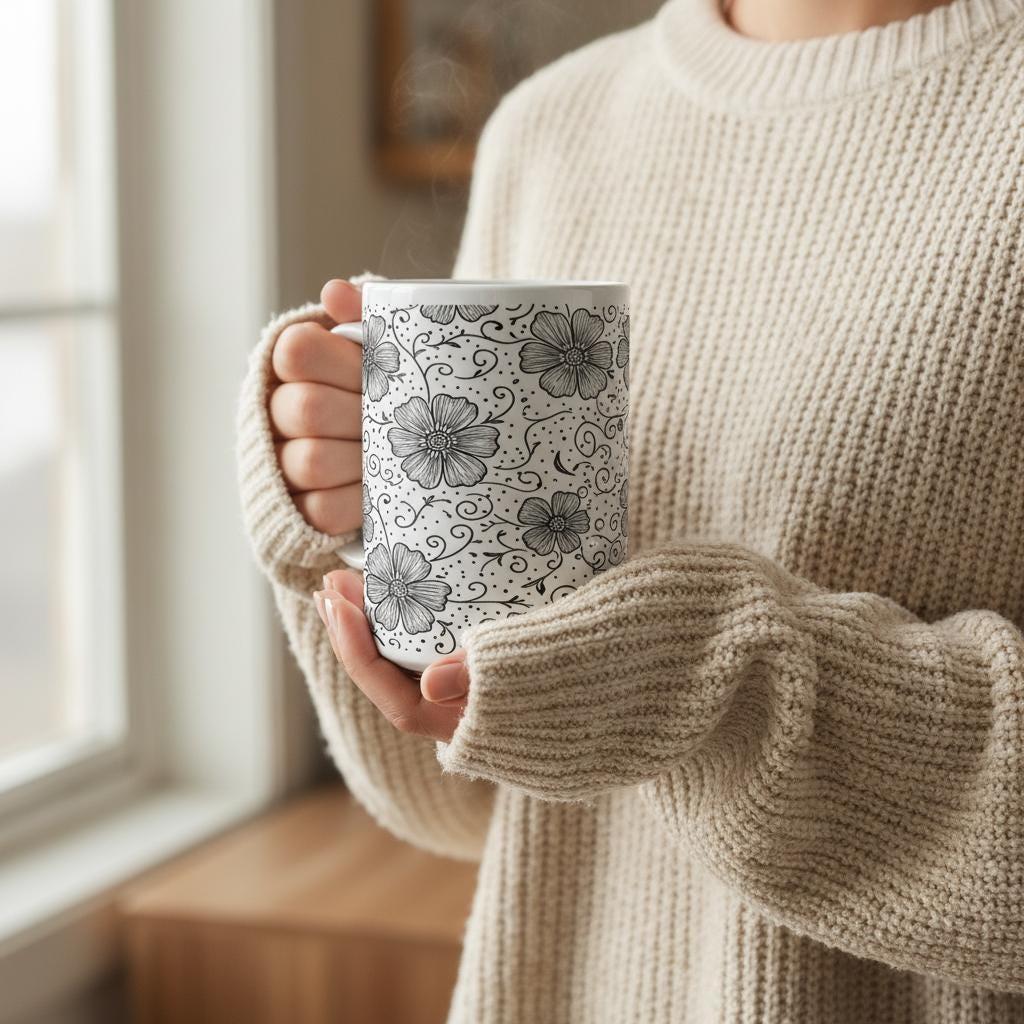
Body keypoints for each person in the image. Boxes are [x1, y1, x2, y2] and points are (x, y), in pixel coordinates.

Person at [236, 0, 1024, 1019]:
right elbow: (467, 803)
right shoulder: (552, 124)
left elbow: (675, 684)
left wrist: (715, 682)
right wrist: (351, 518)